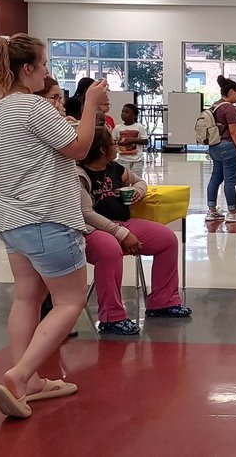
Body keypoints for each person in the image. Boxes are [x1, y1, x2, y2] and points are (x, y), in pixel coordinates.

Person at [0, 33, 106, 418]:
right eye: (45, 64)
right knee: (70, 300)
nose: (48, 72)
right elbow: (80, 148)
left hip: (11, 217)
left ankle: (29, 381)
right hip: (47, 217)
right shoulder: (33, 109)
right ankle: (19, 376)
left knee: (27, 297)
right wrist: (89, 105)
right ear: (28, 69)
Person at [78, 127, 190, 335]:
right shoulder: (79, 175)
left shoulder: (115, 168)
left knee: (167, 240)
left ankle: (162, 302)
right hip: (92, 231)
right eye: (113, 143)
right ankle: (111, 316)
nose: (117, 146)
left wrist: (137, 192)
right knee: (109, 250)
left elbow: (140, 182)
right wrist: (121, 234)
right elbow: (86, 213)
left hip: (123, 223)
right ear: (103, 149)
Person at [206, 75, 236, 222]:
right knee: (230, 181)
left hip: (214, 147)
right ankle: (233, 212)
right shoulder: (229, 109)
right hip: (229, 147)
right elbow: (234, 131)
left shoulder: (214, 106)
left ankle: (211, 210)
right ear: (231, 92)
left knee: (215, 178)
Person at [112, 103, 148, 177]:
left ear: (134, 115)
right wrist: (120, 142)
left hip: (137, 160)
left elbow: (145, 141)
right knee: (123, 179)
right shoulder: (117, 128)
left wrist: (133, 140)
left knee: (136, 179)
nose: (123, 114)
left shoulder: (139, 127)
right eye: (122, 111)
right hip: (123, 160)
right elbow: (112, 141)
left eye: (127, 112)